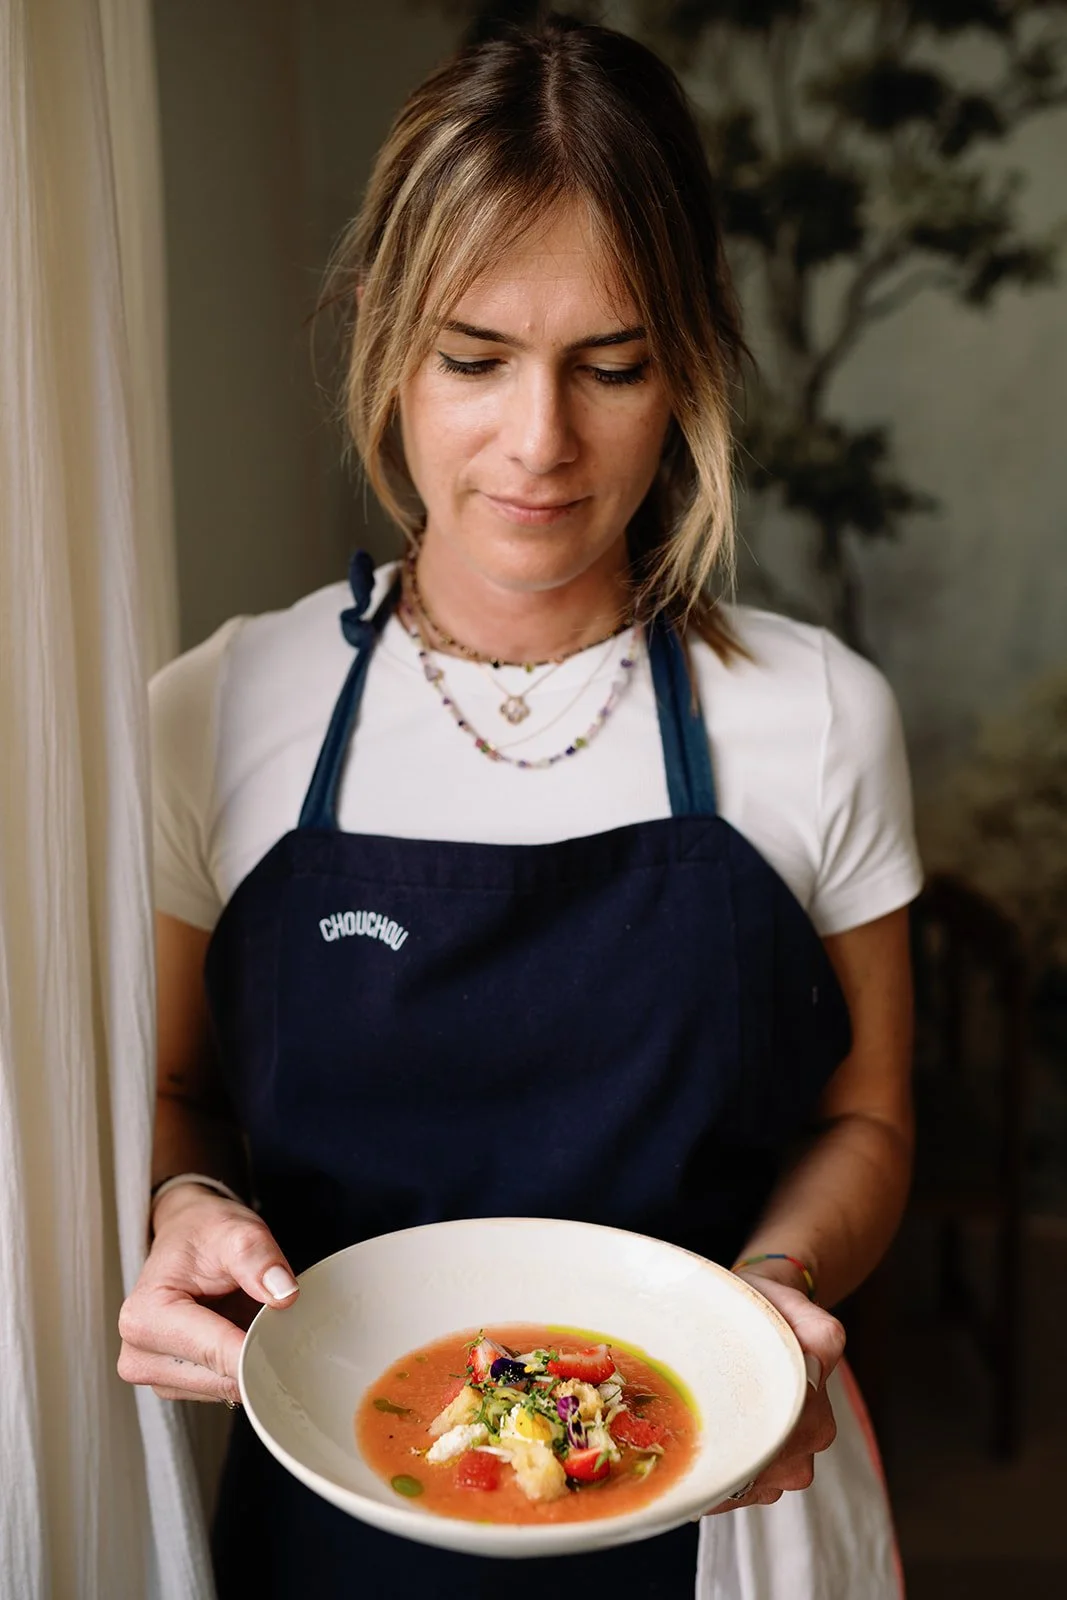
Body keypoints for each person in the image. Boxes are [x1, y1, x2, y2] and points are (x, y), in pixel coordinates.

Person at [118, 14, 920, 1598]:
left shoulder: (815, 715)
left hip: (730, 1511)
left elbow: (867, 1117)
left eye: (610, 365)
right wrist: (184, 1203)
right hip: (329, 1523)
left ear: (686, 358)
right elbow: (173, 1097)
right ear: (381, 342)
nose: (537, 443)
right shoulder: (219, 708)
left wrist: (771, 1285)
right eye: (473, 360)